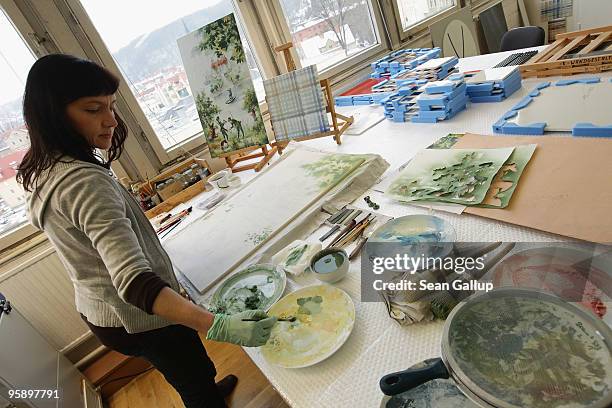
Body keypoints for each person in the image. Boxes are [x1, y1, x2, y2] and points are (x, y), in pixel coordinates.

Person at [17, 54, 276, 408]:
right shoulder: (82, 182)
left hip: (100, 311)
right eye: (93, 110)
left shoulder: (47, 168)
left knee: (188, 366)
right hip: (134, 313)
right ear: (52, 115)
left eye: (110, 106)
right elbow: (135, 283)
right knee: (192, 377)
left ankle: (207, 388)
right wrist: (218, 325)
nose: (110, 120)